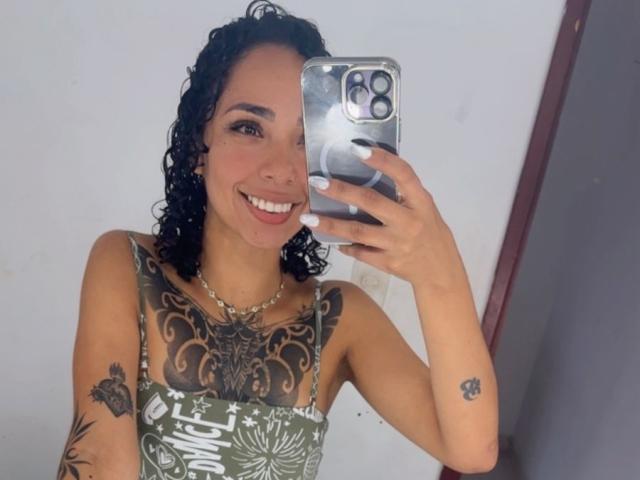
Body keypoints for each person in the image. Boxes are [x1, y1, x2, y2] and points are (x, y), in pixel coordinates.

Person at [57, 1, 499, 478]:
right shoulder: (127, 265)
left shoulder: (340, 319)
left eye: (306, 140)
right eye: (249, 128)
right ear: (198, 147)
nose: (281, 169)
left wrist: (440, 275)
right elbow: (100, 454)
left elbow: (471, 450)